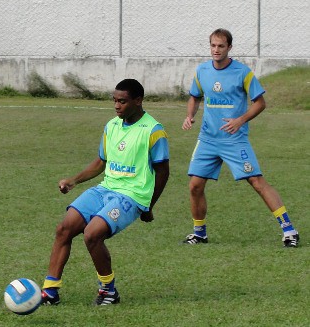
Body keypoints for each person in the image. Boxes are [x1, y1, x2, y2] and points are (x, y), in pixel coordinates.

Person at [41, 79, 170, 306]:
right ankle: (50, 291)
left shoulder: (154, 131)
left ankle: (108, 291)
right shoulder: (111, 126)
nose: (117, 106)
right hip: (105, 189)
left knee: (92, 234)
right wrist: (74, 181)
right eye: (114, 101)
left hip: (132, 196)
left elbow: (163, 172)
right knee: (64, 229)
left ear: (138, 101)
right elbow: (101, 162)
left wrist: (149, 205)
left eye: (122, 101)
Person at [181, 28, 299, 248]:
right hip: (207, 139)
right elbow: (195, 97)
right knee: (194, 186)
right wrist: (190, 115)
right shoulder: (202, 71)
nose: (216, 50)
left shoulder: (242, 73)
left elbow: (260, 103)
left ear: (229, 48)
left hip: (234, 140)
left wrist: (240, 120)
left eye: (221, 46)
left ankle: (289, 229)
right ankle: (199, 233)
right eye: (213, 46)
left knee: (256, 182)